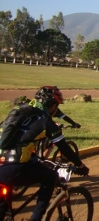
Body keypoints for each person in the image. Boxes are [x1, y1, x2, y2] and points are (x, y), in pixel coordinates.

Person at [0, 86, 89, 221]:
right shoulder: (45, 120)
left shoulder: (19, 110)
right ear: (52, 106)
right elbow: (64, 148)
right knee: (50, 177)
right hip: (14, 167)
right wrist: (80, 166)